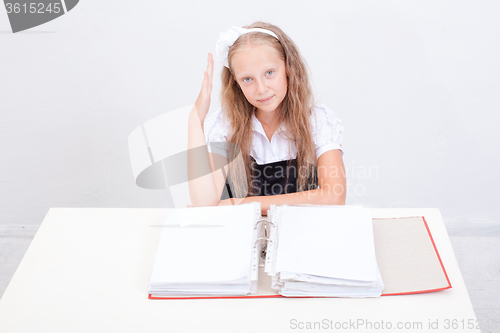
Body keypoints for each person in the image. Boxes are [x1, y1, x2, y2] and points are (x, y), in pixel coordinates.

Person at [188, 22, 345, 215]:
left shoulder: (317, 121)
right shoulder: (226, 125)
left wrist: (238, 204)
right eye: (247, 79)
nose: (261, 89)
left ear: (288, 68)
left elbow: (334, 196)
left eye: (269, 73)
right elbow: (204, 202)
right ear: (236, 83)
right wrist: (195, 120)